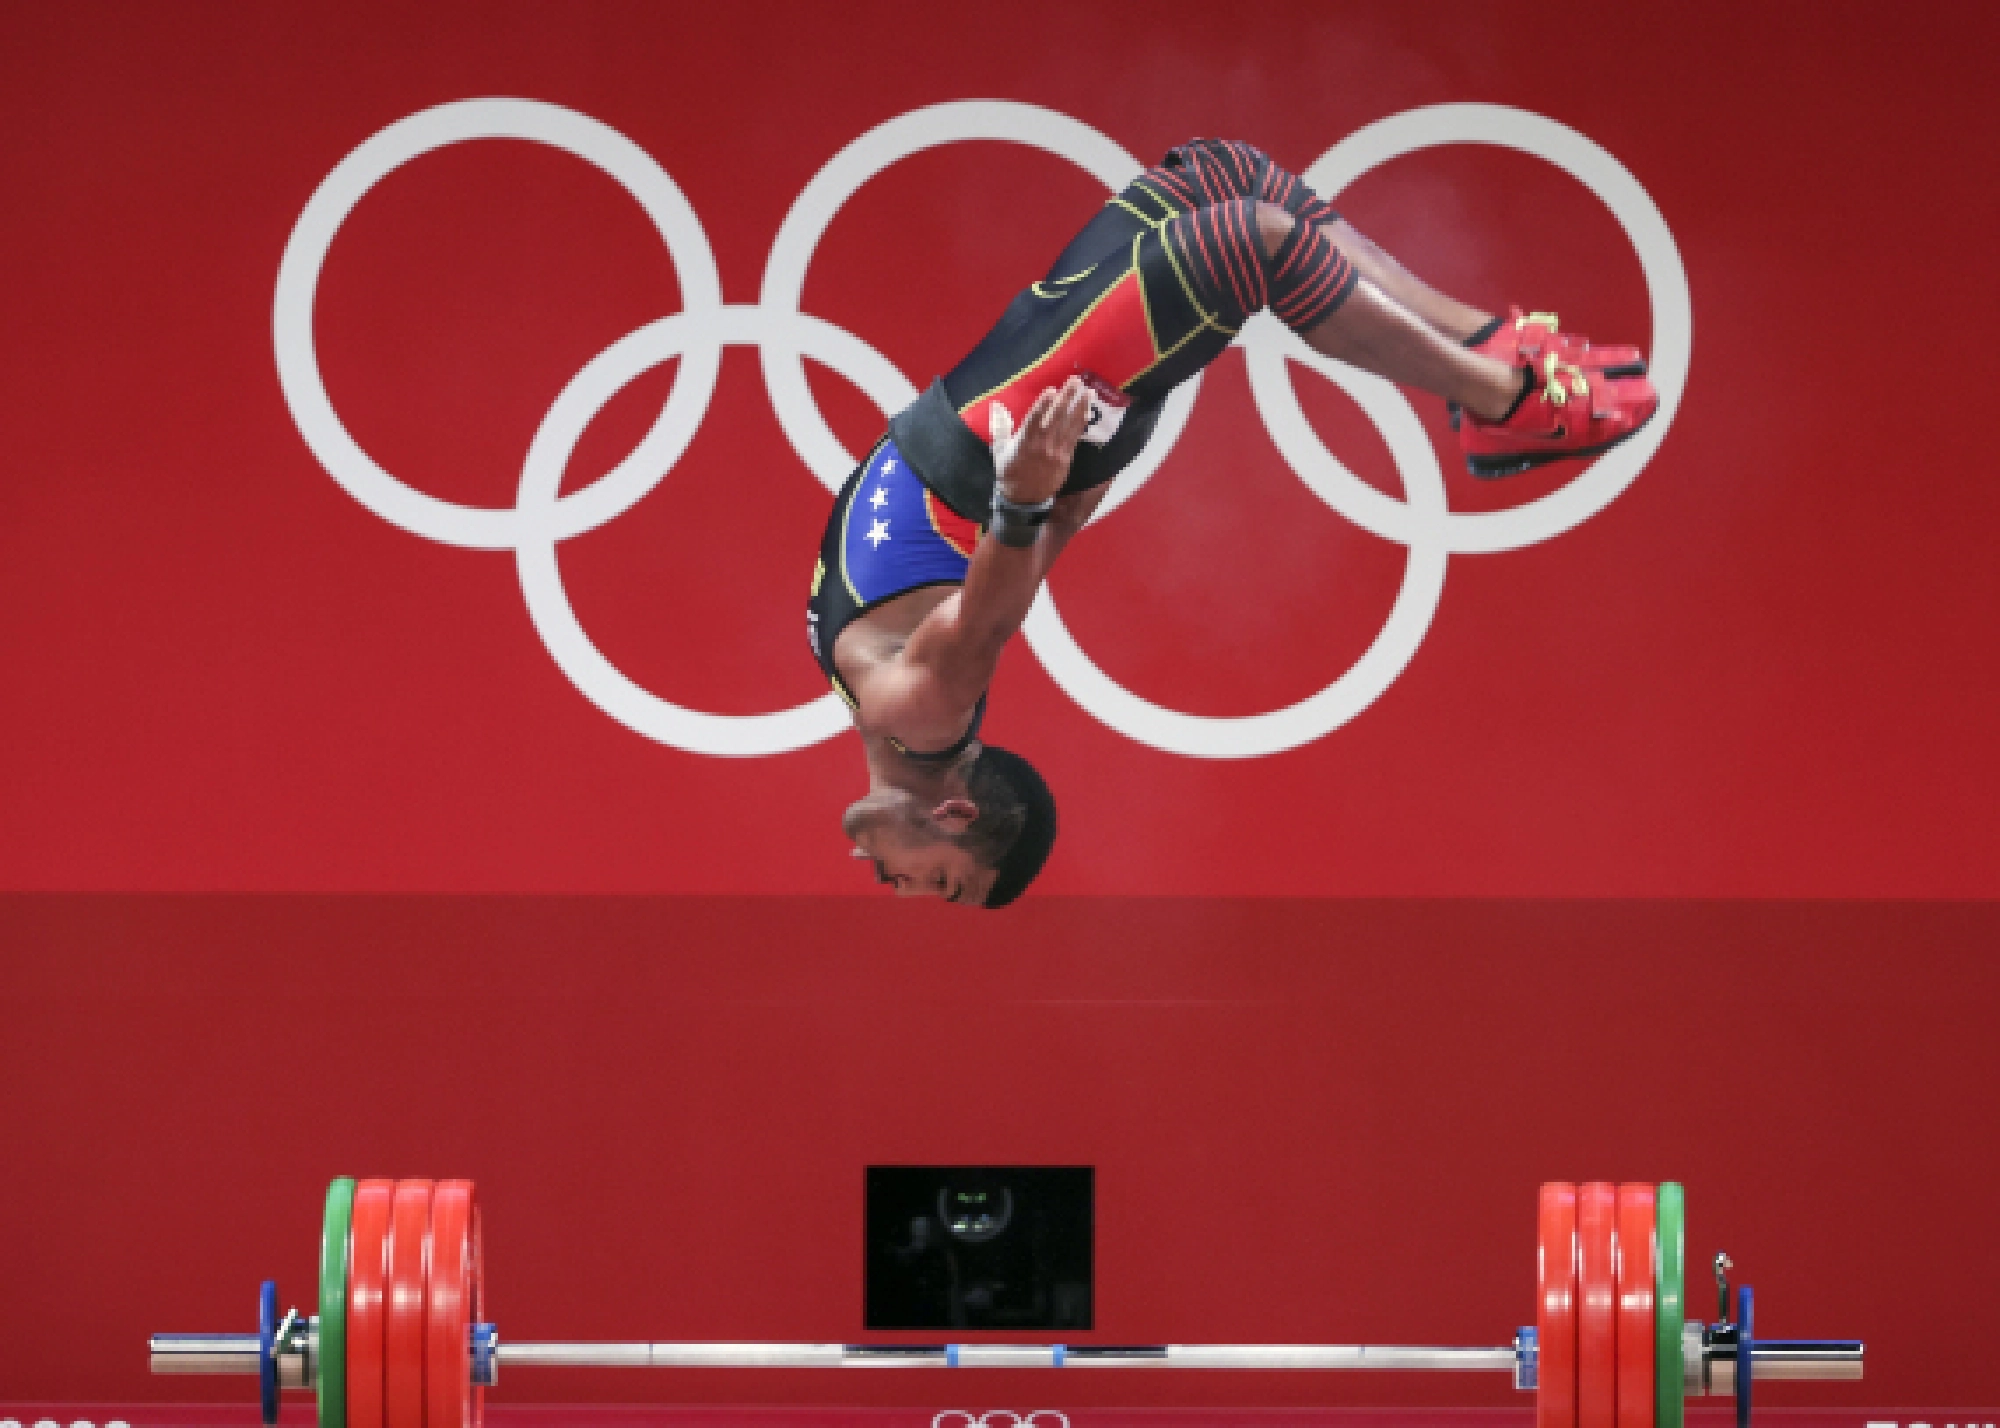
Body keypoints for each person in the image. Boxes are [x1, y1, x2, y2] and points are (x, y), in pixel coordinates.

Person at [805, 138, 1656, 907]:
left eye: (934, 889)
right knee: (1252, 242)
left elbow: (1013, 579)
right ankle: (1499, 396)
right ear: (953, 815)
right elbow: (987, 618)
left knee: (1224, 177)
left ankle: (1491, 343)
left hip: (1024, 419)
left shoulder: (897, 713)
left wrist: (1082, 460)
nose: (901, 889)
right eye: (939, 883)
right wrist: (1036, 486)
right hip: (1019, 413)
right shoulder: (920, 718)